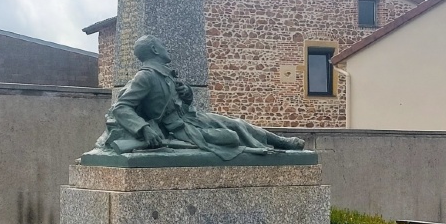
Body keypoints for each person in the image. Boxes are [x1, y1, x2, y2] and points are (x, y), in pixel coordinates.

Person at [93, 35, 305, 160]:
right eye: (163, 45)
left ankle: (280, 142)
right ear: (155, 49)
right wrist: (143, 128)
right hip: (177, 129)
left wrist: (187, 95)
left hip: (191, 118)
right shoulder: (145, 76)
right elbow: (121, 107)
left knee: (236, 123)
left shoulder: (165, 74)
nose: (167, 49)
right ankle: (263, 148)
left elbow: (177, 102)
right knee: (231, 137)